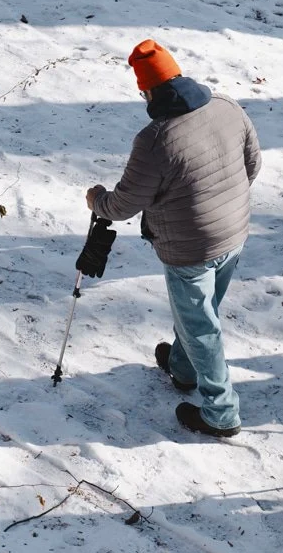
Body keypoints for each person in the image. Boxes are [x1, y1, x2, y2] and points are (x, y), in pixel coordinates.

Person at [87, 39, 261, 439]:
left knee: (202, 327)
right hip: (234, 233)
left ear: (146, 90)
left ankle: (221, 413)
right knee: (201, 312)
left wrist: (96, 199)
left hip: (190, 250)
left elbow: (124, 204)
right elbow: (253, 164)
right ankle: (183, 370)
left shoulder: (154, 139)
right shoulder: (227, 106)